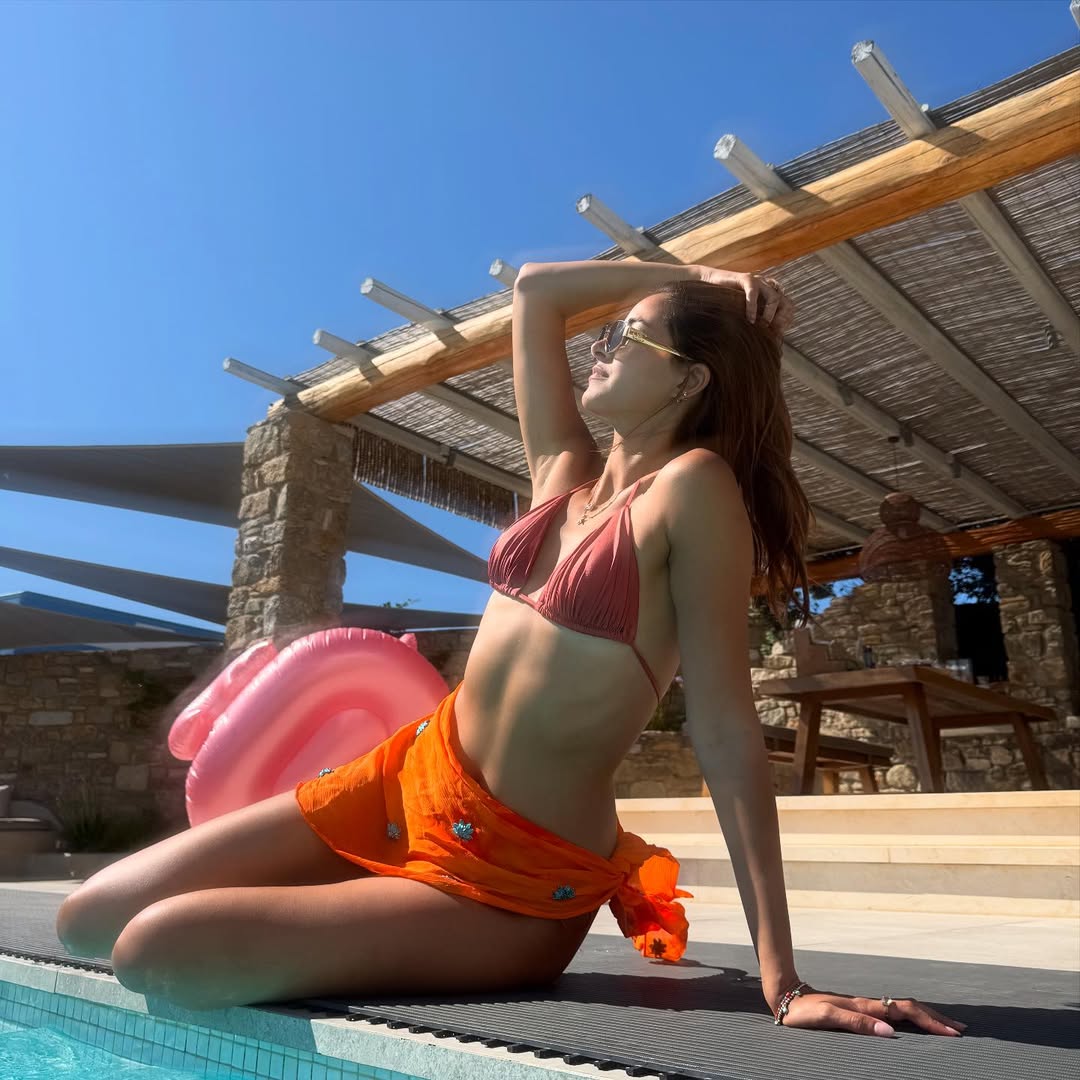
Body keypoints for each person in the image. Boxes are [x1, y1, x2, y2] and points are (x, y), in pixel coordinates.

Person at [55, 260, 966, 1040]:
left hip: (510, 875)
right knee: (87, 918)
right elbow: (535, 291)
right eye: (605, 334)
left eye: (628, 339)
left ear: (691, 380)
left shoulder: (694, 489)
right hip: (405, 783)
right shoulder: (562, 473)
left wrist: (783, 979)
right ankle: (368, 893)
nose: (600, 349)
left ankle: (390, 914)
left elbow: (726, 729)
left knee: (154, 950)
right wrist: (689, 276)